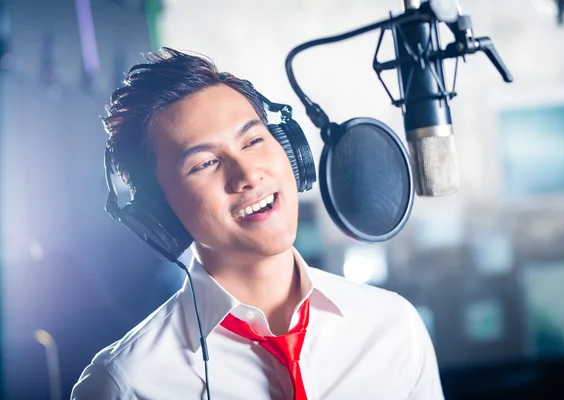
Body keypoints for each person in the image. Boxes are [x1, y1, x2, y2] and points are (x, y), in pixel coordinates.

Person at [71, 47, 444, 400]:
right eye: (204, 164)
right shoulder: (126, 383)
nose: (247, 174)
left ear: (291, 152)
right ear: (160, 213)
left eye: (253, 141)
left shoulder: (393, 327)